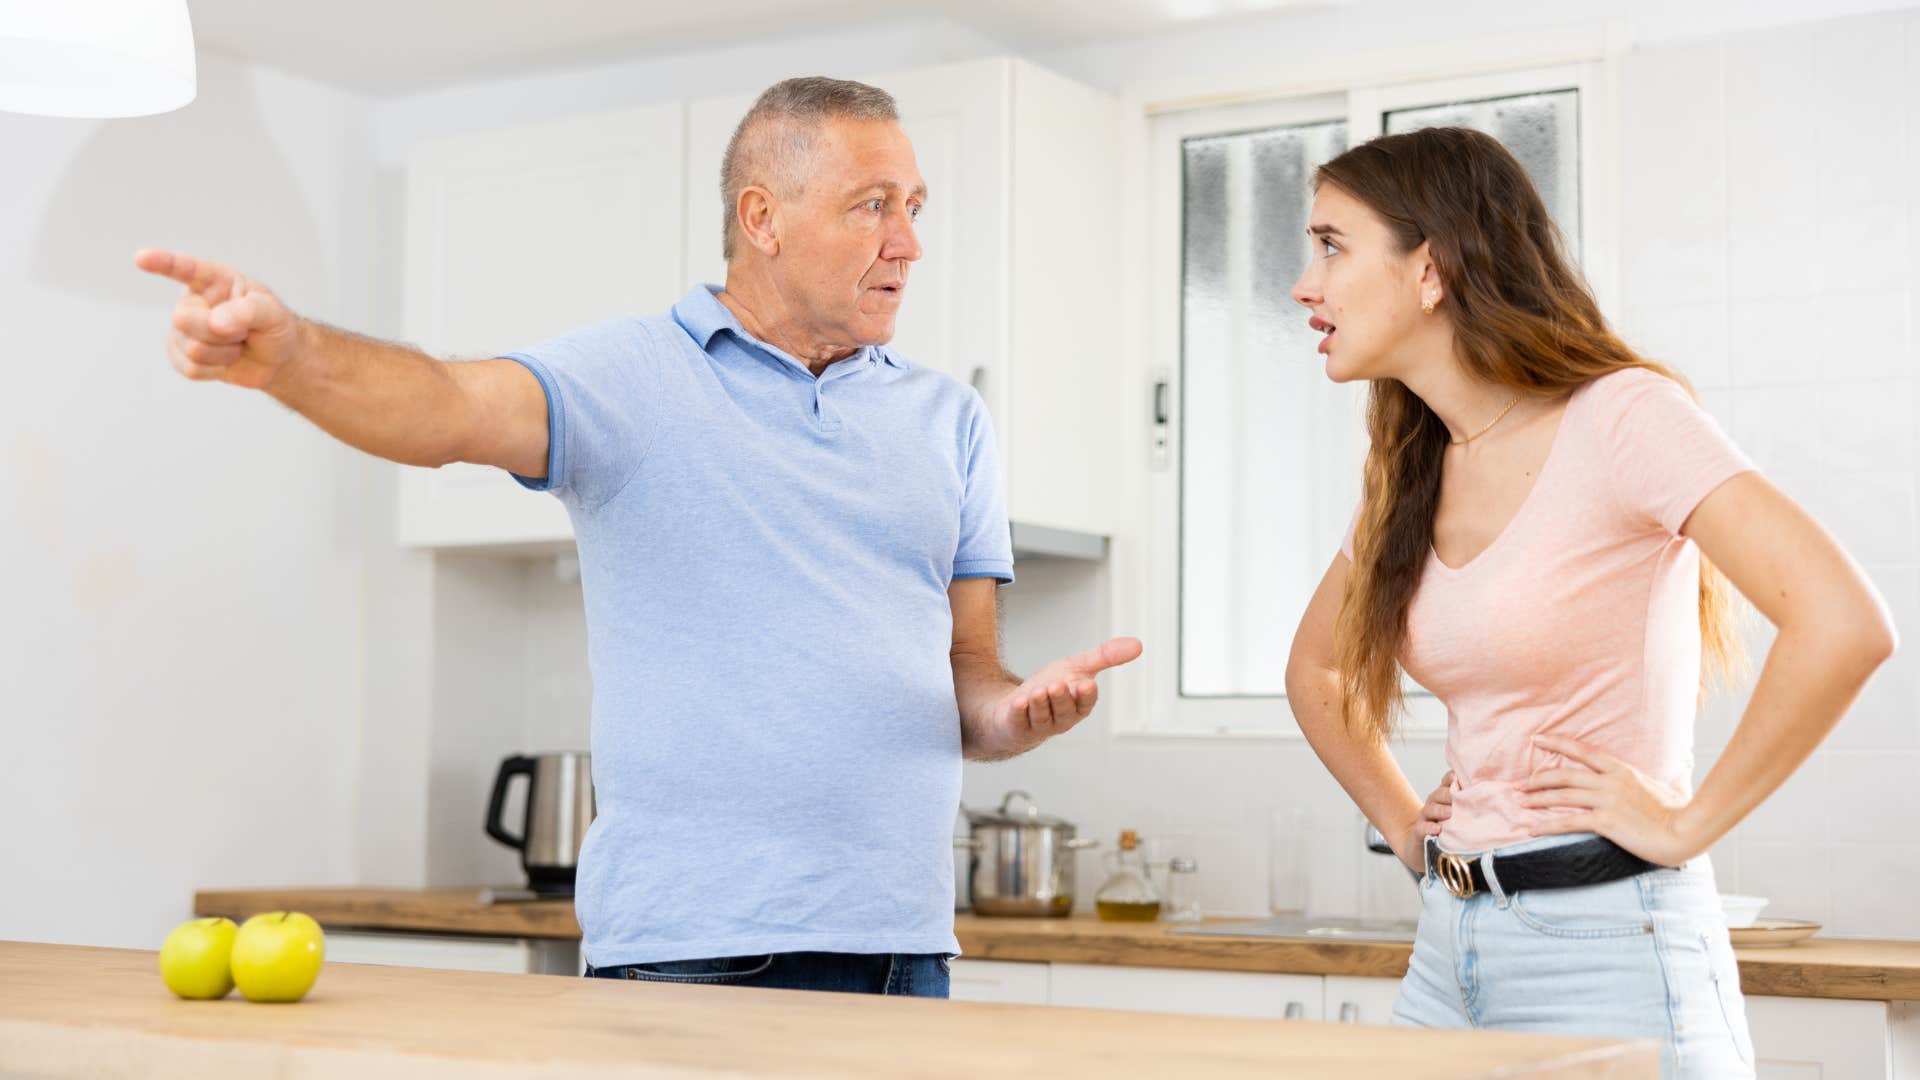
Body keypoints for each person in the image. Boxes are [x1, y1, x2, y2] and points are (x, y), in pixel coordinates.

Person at [137, 75, 1141, 998]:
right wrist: (294, 356)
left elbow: (968, 671)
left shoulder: (949, 419)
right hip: (693, 949)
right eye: (872, 205)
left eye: (914, 208)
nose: (908, 242)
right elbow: (447, 406)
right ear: (763, 218)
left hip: (901, 946)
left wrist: (1016, 713)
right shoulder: (630, 377)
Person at [1283, 126, 1896, 1076]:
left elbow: (1844, 623)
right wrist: (1408, 825)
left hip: (1614, 949)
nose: (1304, 285)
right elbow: (1315, 668)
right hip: (1450, 951)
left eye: (1331, 245)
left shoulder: (1622, 417)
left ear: (1430, 268)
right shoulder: (1411, 469)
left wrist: (1688, 827)